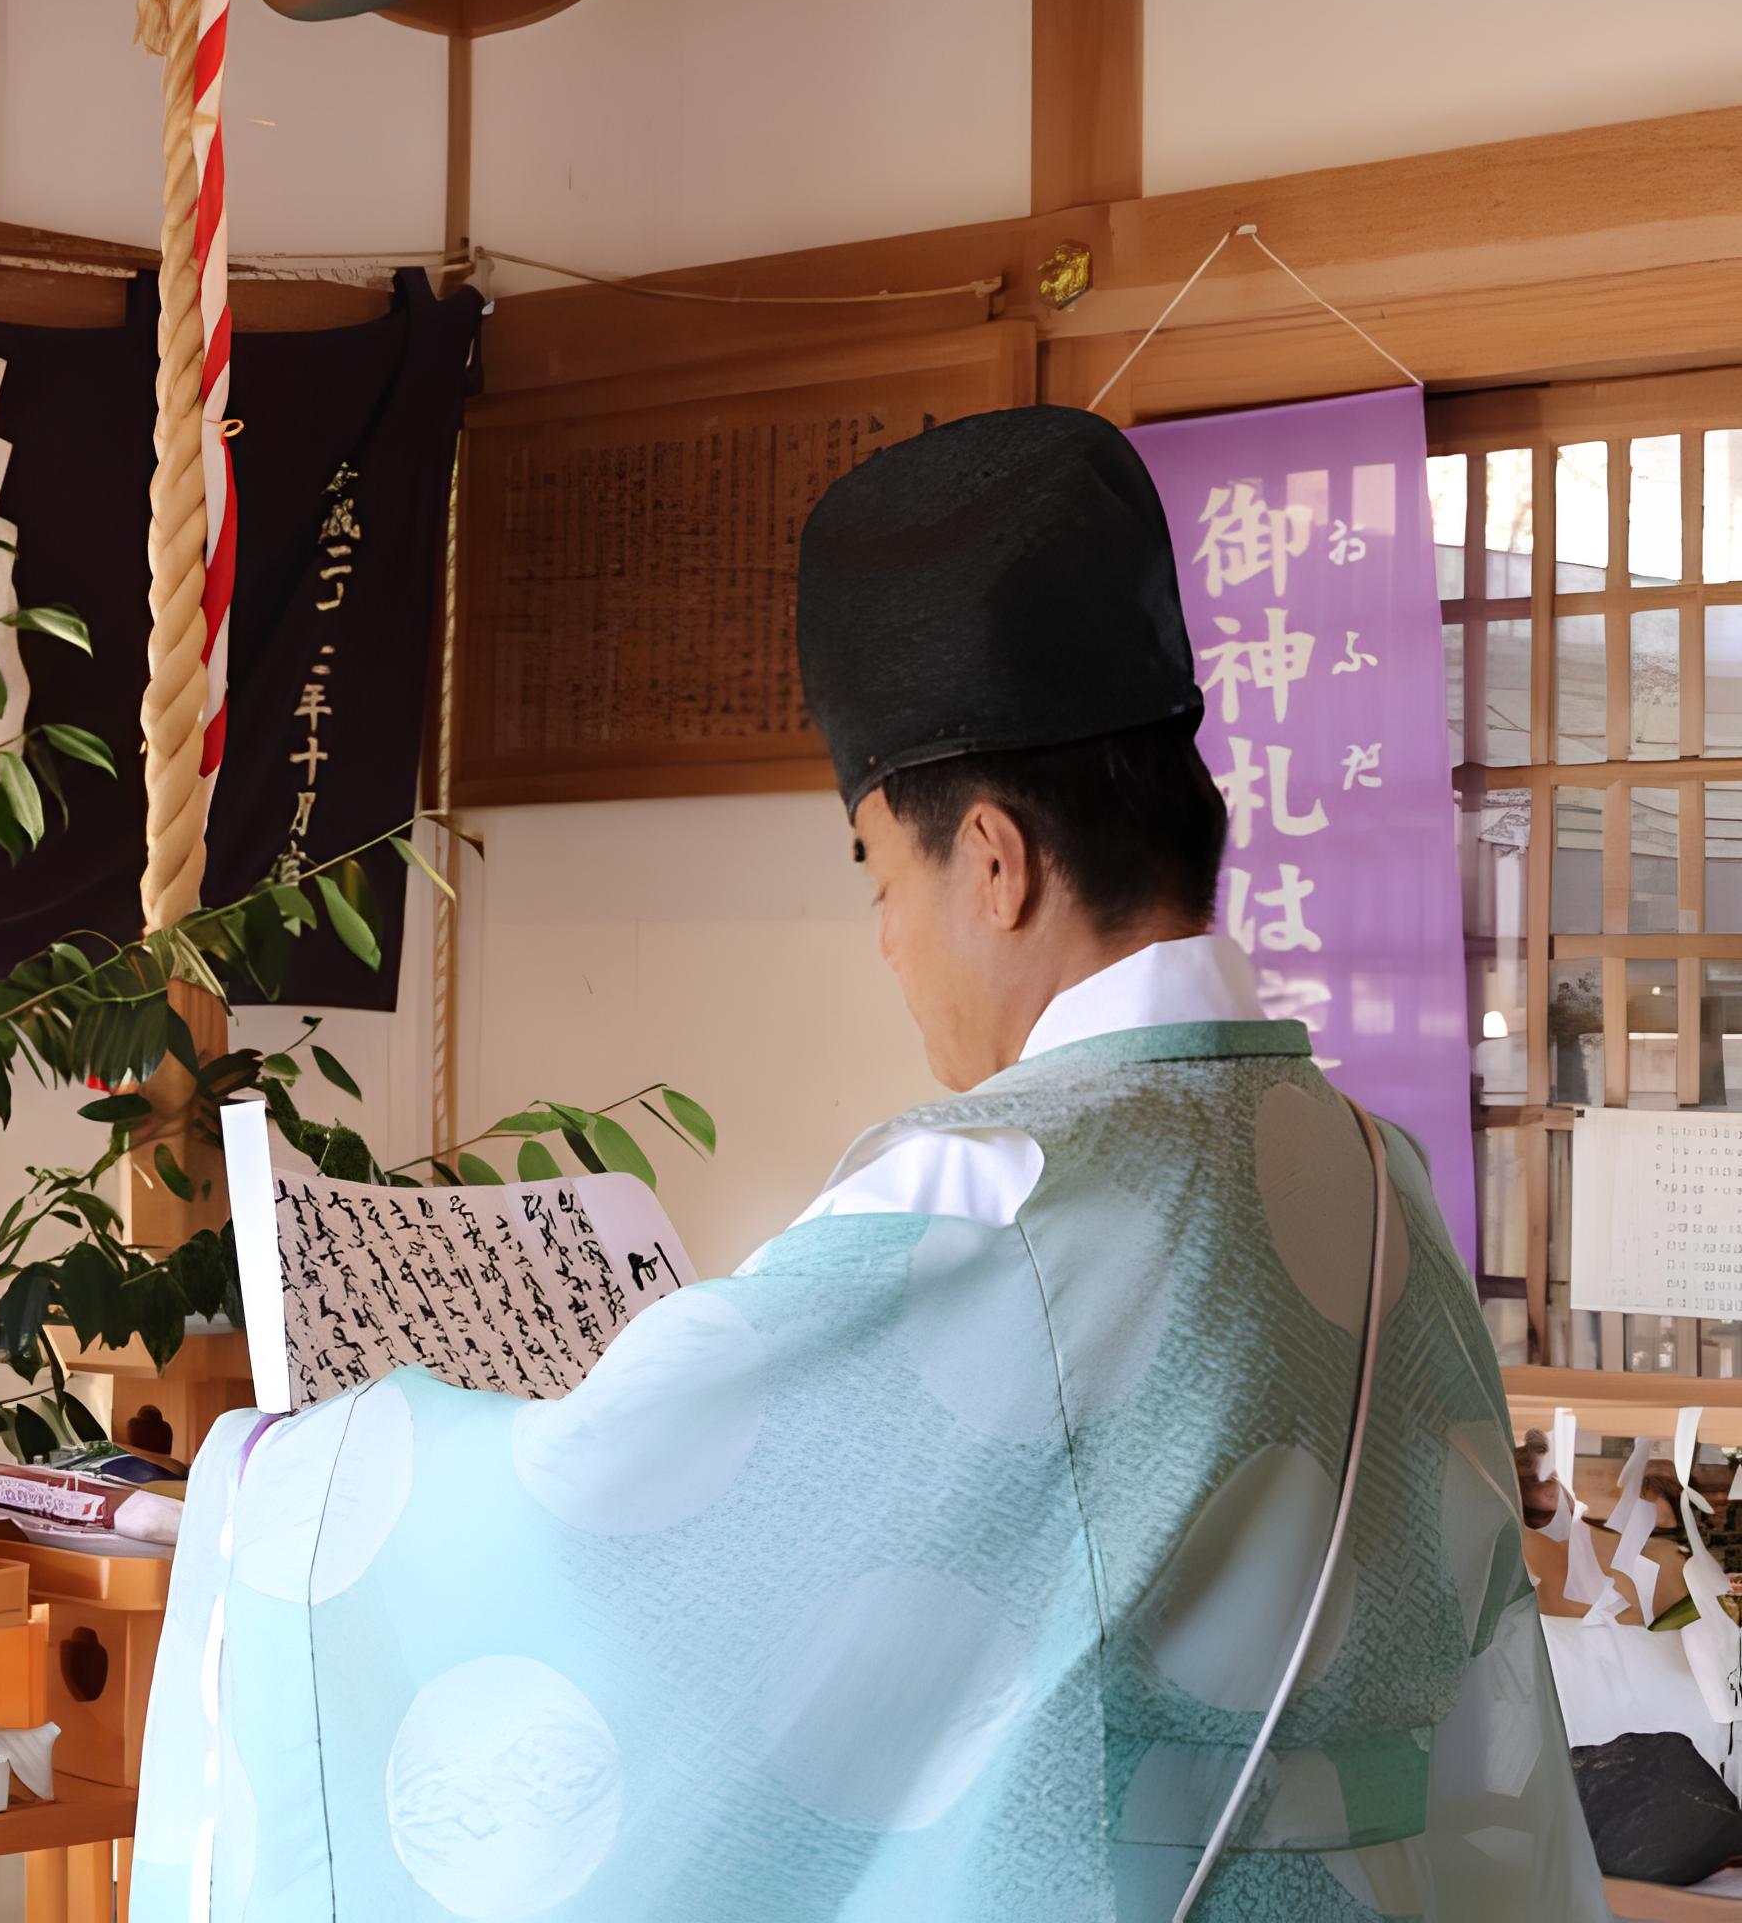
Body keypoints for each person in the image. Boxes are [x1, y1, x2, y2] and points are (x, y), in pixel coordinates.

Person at [125, 406, 1604, 1920]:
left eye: (879, 874)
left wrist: (282, 1477)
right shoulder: (1381, 1178)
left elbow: (613, 1520)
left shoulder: (992, 1194)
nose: (888, 941)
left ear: (994, 863)